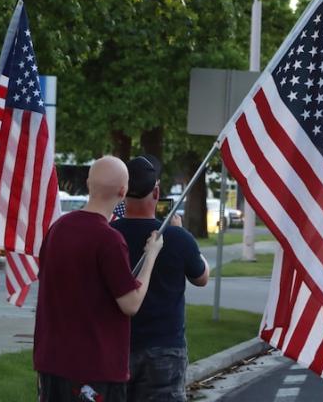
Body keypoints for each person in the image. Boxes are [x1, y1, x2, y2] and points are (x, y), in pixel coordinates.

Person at [34, 156, 164, 402]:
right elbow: (131, 303)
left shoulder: (58, 228)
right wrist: (151, 256)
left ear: (88, 184)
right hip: (94, 369)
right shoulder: (109, 240)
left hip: (51, 363)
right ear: (123, 191)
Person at [110, 155, 209, 402]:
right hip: (166, 349)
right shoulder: (177, 238)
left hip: (116, 347)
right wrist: (182, 232)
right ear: (156, 193)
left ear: (122, 193)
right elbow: (201, 277)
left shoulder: (108, 236)